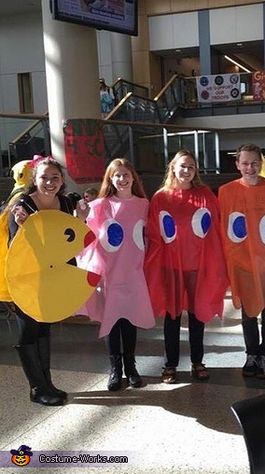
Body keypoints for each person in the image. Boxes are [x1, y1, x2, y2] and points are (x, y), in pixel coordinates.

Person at [144, 150, 228, 384]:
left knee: (197, 315)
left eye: (191, 166)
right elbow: (154, 234)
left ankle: (197, 361)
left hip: (198, 266)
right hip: (171, 266)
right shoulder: (161, 197)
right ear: (173, 168)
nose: (187, 170)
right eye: (182, 166)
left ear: (196, 170)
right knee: (172, 317)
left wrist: (216, 263)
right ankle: (170, 364)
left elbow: (215, 230)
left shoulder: (205, 195)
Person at [79, 158, 155, 391]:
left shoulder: (143, 204)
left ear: (133, 177)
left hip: (133, 272)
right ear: (110, 179)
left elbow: (150, 238)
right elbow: (88, 237)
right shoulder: (101, 205)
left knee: (128, 319)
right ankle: (115, 369)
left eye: (125, 174)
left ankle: (130, 367)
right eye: (117, 175)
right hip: (110, 272)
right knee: (111, 320)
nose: (122, 179)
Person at [218, 144, 265, 379]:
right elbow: (220, 226)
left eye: (254, 163)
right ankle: (251, 354)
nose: (249, 168)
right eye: (245, 163)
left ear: (261, 164)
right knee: (249, 312)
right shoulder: (226, 191)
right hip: (243, 262)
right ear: (237, 164)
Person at [8, 157, 75, 405]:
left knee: (44, 327)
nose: (49, 182)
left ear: (62, 180)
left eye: (54, 177)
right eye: (44, 177)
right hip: (27, 278)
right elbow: (16, 250)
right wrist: (23, 226)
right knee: (28, 330)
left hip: (53, 277)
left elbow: (69, 241)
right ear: (34, 179)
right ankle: (37, 388)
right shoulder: (23, 204)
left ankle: (47, 383)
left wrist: (84, 220)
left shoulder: (65, 203)